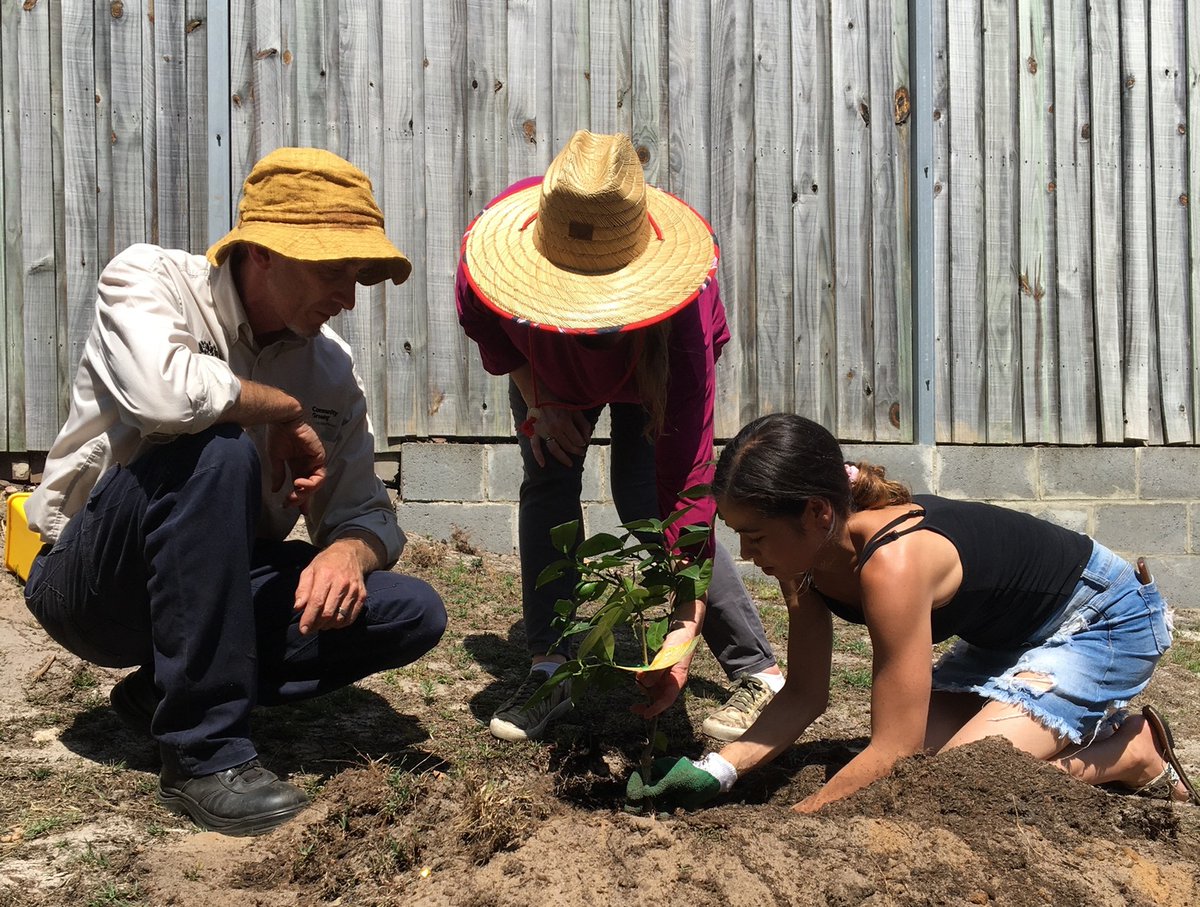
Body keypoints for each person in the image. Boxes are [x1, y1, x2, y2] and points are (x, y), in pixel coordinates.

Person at [23, 147, 448, 836]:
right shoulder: (147, 280)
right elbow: (166, 399)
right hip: (93, 585)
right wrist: (275, 408)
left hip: (214, 586)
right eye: (334, 269)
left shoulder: (331, 370)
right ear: (264, 253)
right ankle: (203, 754)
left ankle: (163, 689)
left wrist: (349, 551)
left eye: (358, 274)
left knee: (411, 610)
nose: (349, 294)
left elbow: (366, 509)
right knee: (214, 451)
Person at [627, 413, 1199, 812]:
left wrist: (803, 819)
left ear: (818, 512)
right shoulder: (804, 562)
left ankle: (1131, 750)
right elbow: (804, 694)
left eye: (755, 538)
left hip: (1103, 619)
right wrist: (718, 768)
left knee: (959, 783)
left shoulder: (892, 565)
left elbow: (891, 747)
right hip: (1009, 644)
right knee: (923, 765)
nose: (748, 557)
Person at [456, 130, 784, 742]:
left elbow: (687, 480)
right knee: (548, 480)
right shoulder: (486, 258)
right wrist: (541, 403)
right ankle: (550, 665)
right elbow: (493, 336)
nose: (590, 316)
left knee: (647, 503)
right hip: (548, 378)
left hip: (651, 366)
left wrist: (682, 625)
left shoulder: (681, 308)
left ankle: (757, 671)